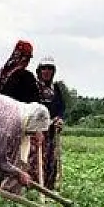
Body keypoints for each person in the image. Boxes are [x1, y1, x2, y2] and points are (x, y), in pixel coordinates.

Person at [0, 93, 51, 192]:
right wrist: (18, 173)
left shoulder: (23, 114)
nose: (33, 134)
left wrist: (36, 131)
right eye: (34, 131)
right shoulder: (9, 125)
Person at [33, 56, 66, 189]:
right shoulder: (34, 88)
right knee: (36, 161)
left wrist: (59, 118)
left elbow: (61, 107)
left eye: (49, 69)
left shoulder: (56, 88)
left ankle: (49, 189)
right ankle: (36, 189)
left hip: (52, 130)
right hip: (36, 130)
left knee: (51, 161)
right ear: (39, 71)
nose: (46, 71)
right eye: (44, 69)